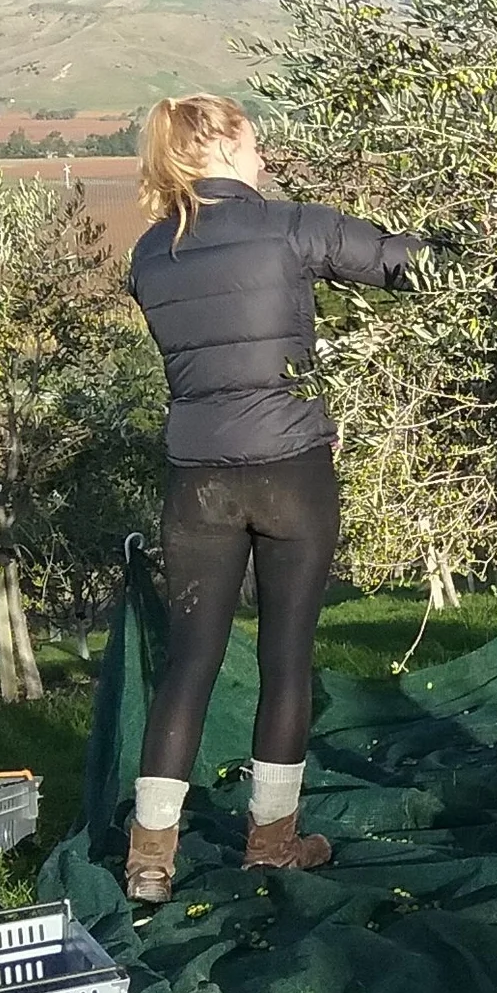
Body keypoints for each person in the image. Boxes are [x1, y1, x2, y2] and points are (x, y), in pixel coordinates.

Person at [121, 94, 425, 904]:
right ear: (223, 146)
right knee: (285, 657)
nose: (265, 159)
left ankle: (149, 858)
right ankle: (272, 842)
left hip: (196, 478)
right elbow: (407, 265)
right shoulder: (291, 227)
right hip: (291, 468)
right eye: (256, 144)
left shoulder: (149, 254)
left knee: (190, 662)